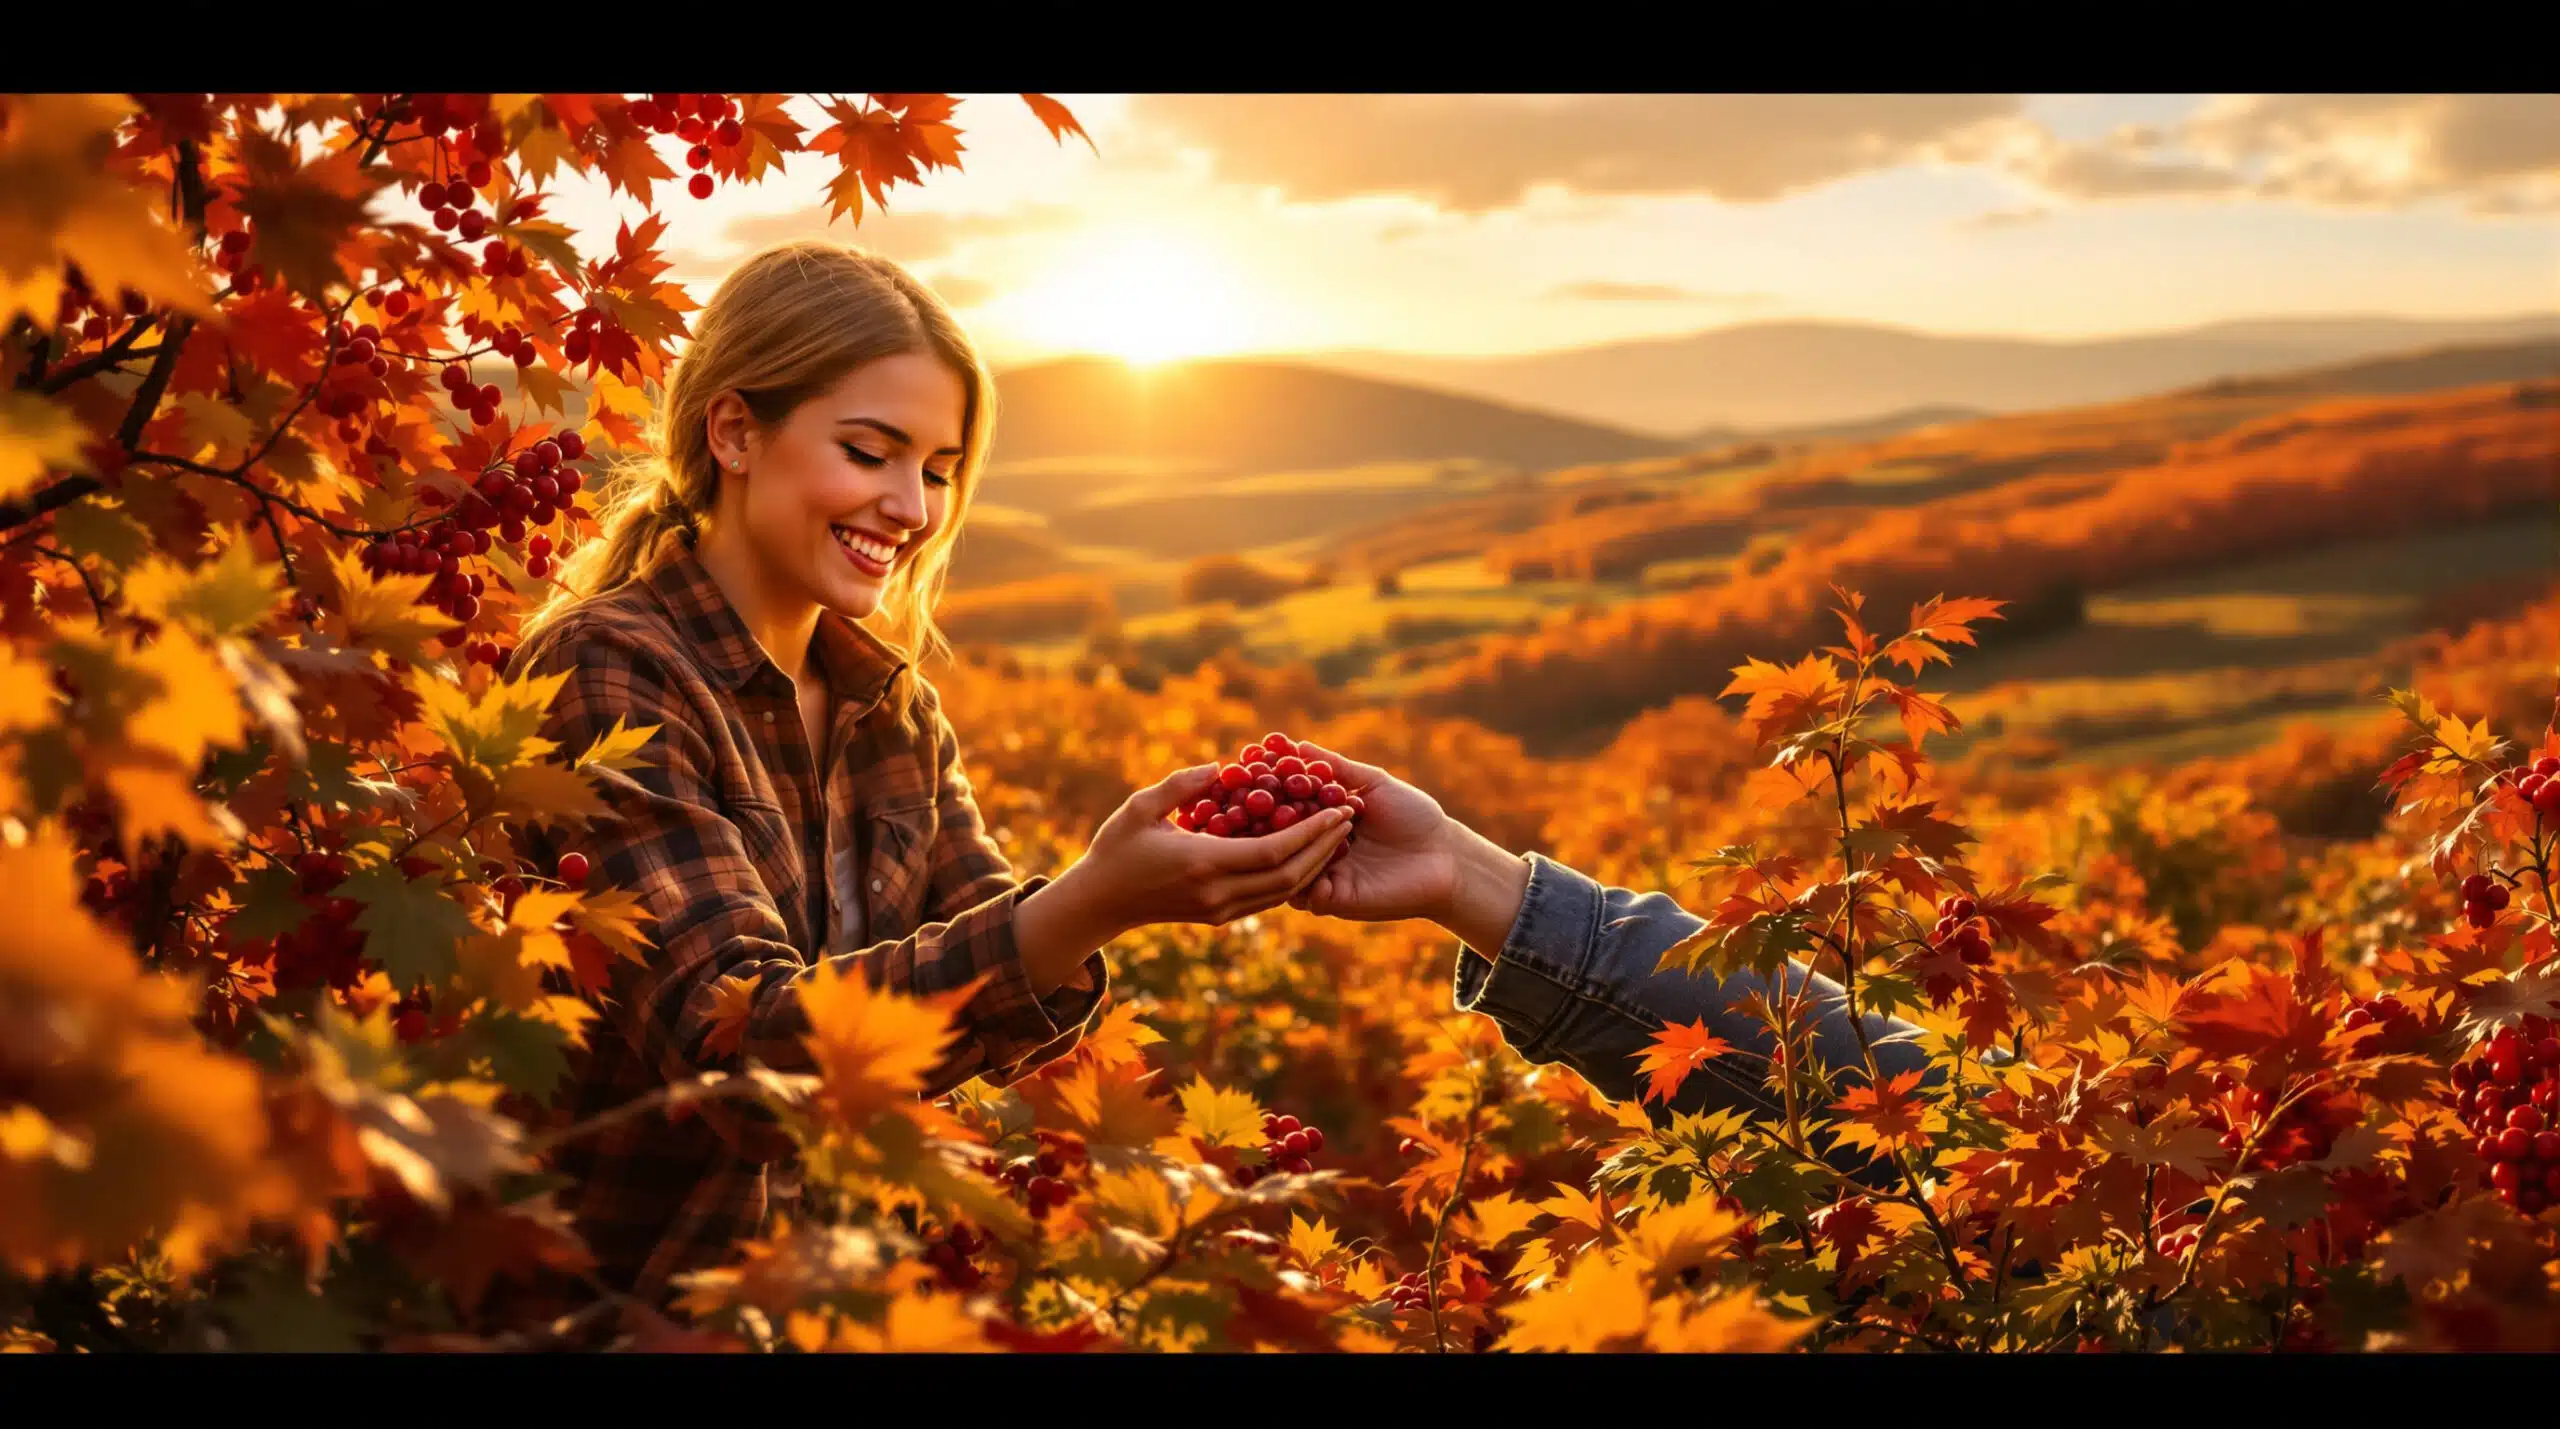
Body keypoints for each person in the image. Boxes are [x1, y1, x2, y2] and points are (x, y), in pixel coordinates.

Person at [505, 241, 1353, 1309]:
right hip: (616, 1316)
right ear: (733, 432)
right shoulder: (609, 669)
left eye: (941, 470)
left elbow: (992, 952)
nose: (911, 507)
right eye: (871, 452)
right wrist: (1090, 900)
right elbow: (745, 1061)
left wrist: (1141, 883)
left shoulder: (891, 711)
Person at [1285, 740, 1955, 1150]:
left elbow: (1924, 1115)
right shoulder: (2025, 1134)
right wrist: (1460, 871)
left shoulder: (2042, 1160)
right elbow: (1921, 1102)